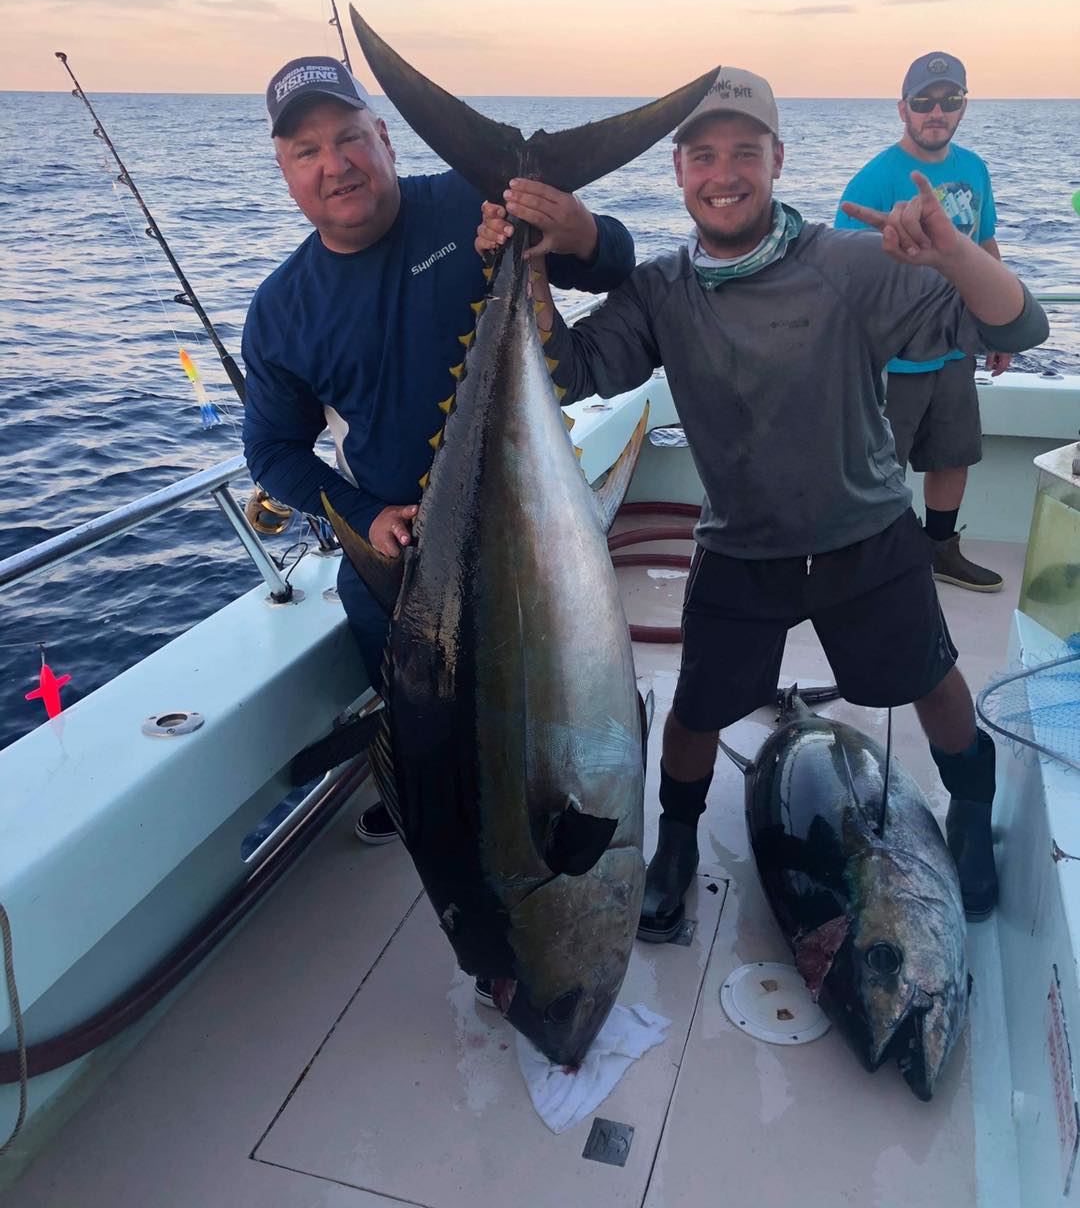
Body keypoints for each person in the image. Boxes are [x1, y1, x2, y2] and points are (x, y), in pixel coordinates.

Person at [477, 67, 1048, 931]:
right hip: (740, 544)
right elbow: (572, 373)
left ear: (778, 159)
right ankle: (676, 838)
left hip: (865, 533)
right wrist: (533, 276)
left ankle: (972, 805)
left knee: (932, 681)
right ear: (678, 171)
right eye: (704, 155)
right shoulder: (661, 288)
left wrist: (954, 255)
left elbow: (1019, 326)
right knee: (697, 709)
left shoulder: (849, 263)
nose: (725, 173)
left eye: (745, 152)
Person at [242, 56, 636, 856]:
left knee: (555, 709)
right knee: (423, 730)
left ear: (386, 139)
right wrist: (364, 515)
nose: (334, 164)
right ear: (285, 172)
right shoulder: (281, 309)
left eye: (349, 137)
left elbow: (615, 264)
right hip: (403, 566)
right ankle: (430, 806)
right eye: (307, 150)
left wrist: (575, 230)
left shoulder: (471, 199)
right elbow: (272, 450)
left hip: (529, 532)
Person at [836, 52, 1008, 593]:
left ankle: (940, 551)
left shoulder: (975, 169)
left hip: (957, 347)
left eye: (950, 100)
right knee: (881, 467)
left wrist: (999, 325)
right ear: (903, 108)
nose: (937, 111)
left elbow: (985, 245)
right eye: (924, 101)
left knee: (953, 455)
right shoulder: (872, 180)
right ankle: (874, 566)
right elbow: (841, 276)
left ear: (963, 107)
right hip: (895, 358)